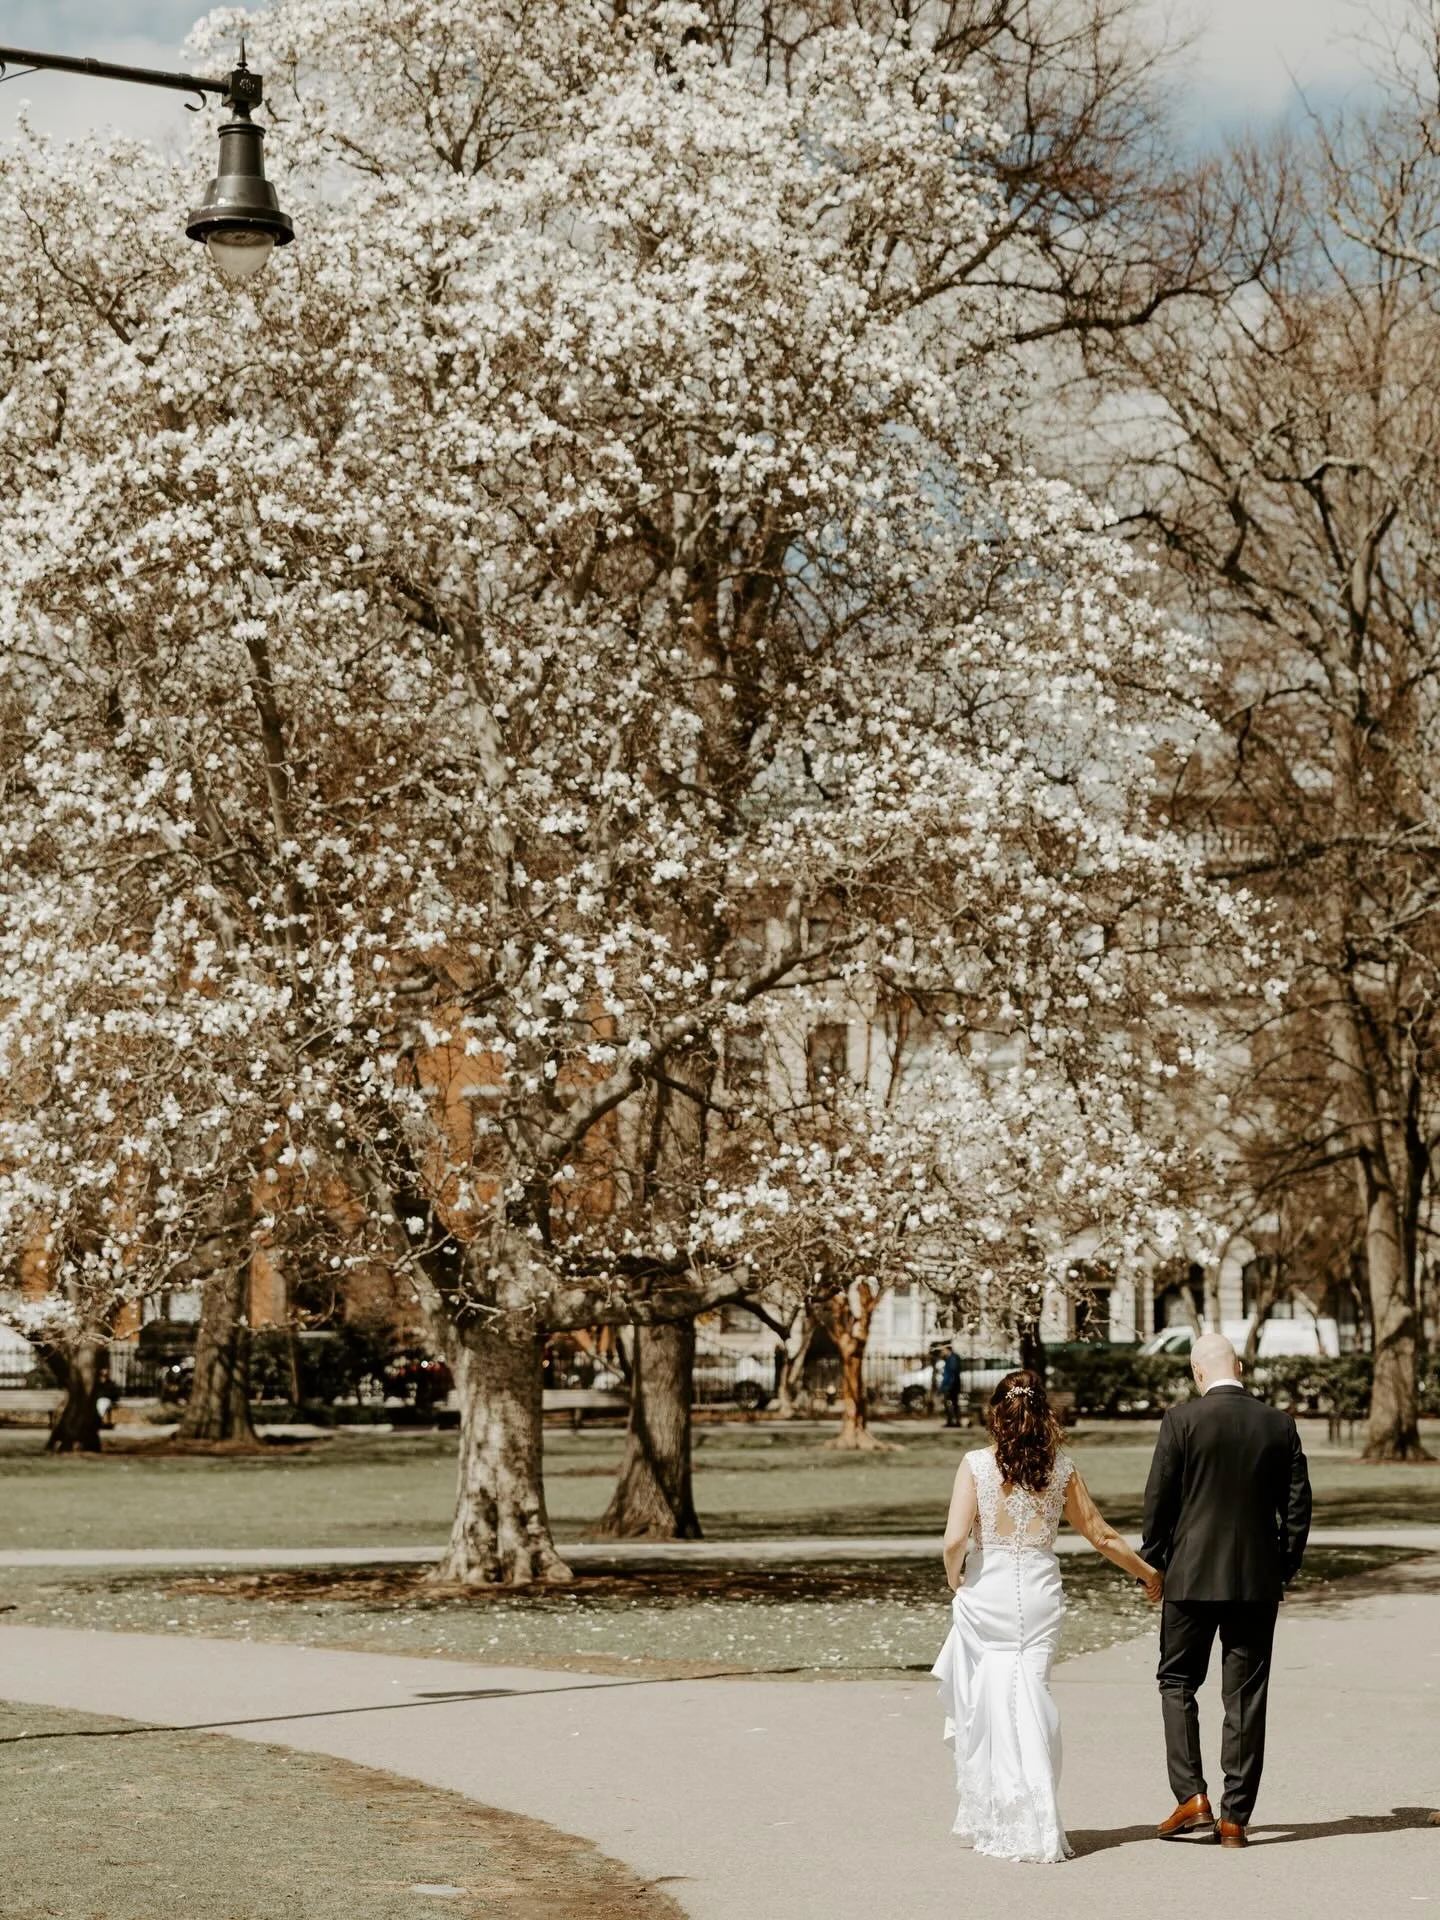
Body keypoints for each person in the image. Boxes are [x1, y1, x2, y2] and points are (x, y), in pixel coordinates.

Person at [932, 1370, 1163, 1862]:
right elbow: (1101, 1535)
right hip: (1038, 1592)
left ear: (997, 1414)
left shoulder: (975, 1464)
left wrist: (955, 1577)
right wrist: (1147, 1574)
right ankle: (1036, 1814)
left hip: (988, 1589)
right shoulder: (1061, 1469)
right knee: (1032, 1693)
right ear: (1045, 1415)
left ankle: (1002, 1814)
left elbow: (954, 1540)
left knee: (989, 1701)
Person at [1141, 1331, 1311, 1848]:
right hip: (1255, 1580)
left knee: (1177, 1682)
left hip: (1190, 1577)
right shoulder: (1279, 1424)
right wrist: (1281, 1566)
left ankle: (1191, 1795)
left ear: (1197, 1372)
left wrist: (1154, 1565)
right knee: (1246, 1696)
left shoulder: (1181, 1421)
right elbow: (1298, 1507)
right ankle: (1236, 1815)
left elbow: (1160, 1503)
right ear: (1239, 1365)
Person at [939, 1348, 963, 1428]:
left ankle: (952, 1421)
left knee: (950, 1402)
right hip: (952, 1384)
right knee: (953, 1402)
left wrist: (948, 1385)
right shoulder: (951, 1358)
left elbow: (952, 1373)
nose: (942, 1352)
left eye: (943, 1350)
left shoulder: (952, 1359)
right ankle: (954, 1421)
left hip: (951, 1385)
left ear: (947, 1349)